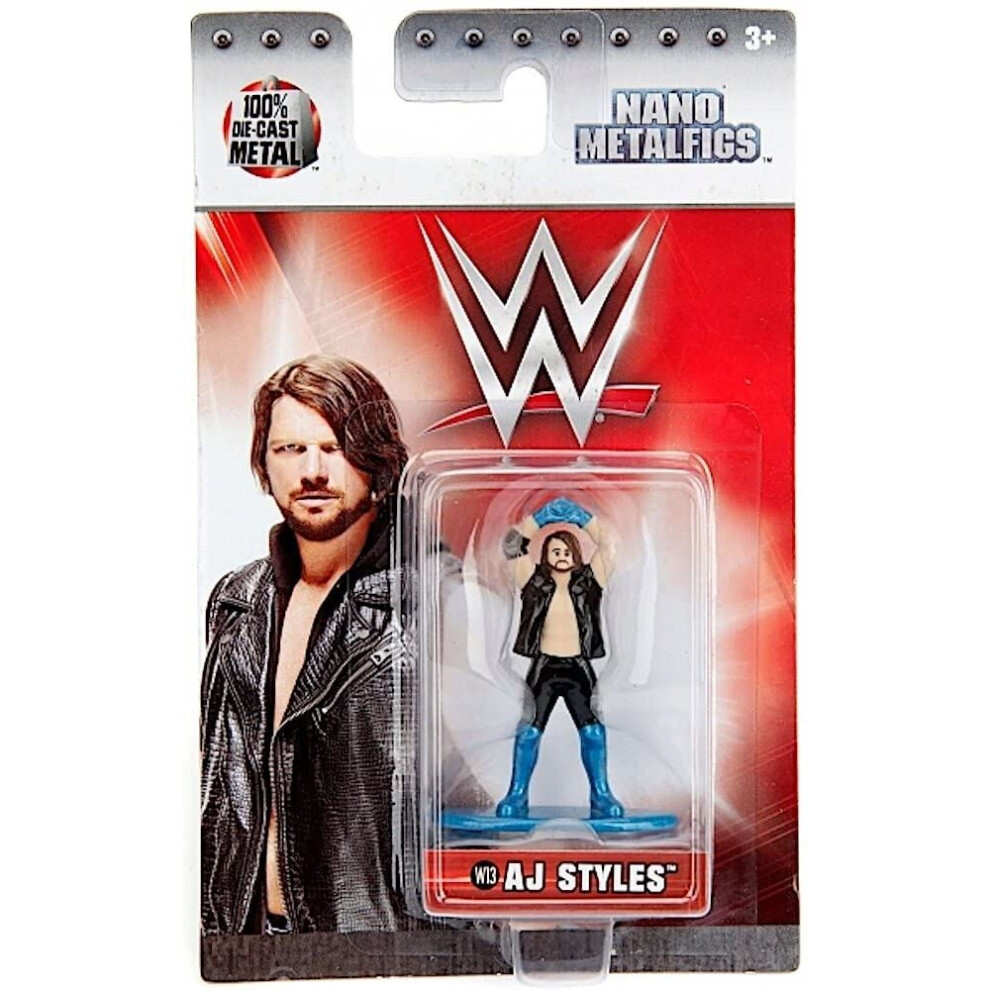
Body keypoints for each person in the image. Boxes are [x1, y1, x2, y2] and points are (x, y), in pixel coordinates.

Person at [200, 355, 412, 935]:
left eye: (334, 447)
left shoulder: (430, 605)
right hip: (238, 937)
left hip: (372, 948)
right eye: (291, 449)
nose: (312, 471)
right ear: (265, 464)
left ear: (376, 461)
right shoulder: (237, 601)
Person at [496, 497, 624, 820]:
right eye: (555, 550)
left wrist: (583, 518)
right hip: (544, 668)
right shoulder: (532, 580)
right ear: (544, 555)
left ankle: (601, 795)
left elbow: (610, 544)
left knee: (593, 733)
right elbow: (510, 546)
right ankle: (517, 794)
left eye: (567, 551)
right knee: (528, 732)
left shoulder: (591, 580)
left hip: (578, 668)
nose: (562, 555)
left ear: (576, 554)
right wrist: (539, 519)